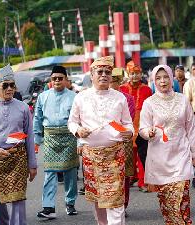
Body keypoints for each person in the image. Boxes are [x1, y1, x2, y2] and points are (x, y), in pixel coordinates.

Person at [68, 56, 134, 225]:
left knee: (115, 200)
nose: (104, 75)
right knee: (98, 198)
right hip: (91, 156)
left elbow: (127, 123)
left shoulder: (120, 97)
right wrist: (78, 130)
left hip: (115, 154)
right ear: (92, 75)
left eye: (108, 72)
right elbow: (72, 122)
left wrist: (129, 132)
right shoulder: (81, 97)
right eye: (100, 72)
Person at [139, 65, 195, 224]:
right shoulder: (149, 103)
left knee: (182, 200)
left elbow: (191, 128)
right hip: (160, 159)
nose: (162, 81)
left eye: (165, 77)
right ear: (153, 81)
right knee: (167, 204)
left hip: (181, 155)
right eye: (158, 78)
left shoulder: (182, 99)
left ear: (171, 77)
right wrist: (148, 132)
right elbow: (142, 128)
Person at [0, 65, 37, 225]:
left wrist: (32, 164)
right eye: (5, 85)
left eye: (12, 85)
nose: (10, 89)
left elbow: (29, 136)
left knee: (17, 200)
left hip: (18, 158)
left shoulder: (23, 107)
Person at [33, 66, 79, 219]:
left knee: (71, 173)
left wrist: (80, 142)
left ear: (66, 80)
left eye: (60, 78)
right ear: (51, 81)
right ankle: (48, 207)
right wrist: (37, 138)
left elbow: (80, 119)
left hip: (69, 137)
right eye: (54, 78)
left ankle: (70, 203)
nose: (57, 81)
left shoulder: (74, 97)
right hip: (51, 138)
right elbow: (37, 118)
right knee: (49, 174)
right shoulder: (43, 96)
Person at [120, 60, 152, 193]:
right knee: (128, 155)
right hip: (126, 126)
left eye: (137, 73)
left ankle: (142, 182)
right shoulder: (121, 89)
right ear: (128, 74)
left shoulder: (147, 89)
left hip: (142, 126)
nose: (135, 76)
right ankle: (131, 177)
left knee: (142, 155)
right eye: (132, 73)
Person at [110, 67, 136, 215]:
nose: (109, 83)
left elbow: (128, 120)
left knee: (124, 176)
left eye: (113, 80)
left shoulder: (128, 98)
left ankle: (123, 205)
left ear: (118, 82)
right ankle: (112, 204)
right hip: (106, 142)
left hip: (123, 140)